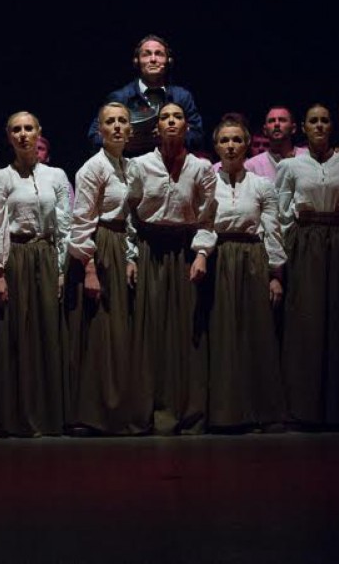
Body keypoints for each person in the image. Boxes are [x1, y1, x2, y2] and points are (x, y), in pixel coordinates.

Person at [0, 112, 72, 436]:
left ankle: (50, 415)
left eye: (28, 128)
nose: (23, 134)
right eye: (16, 130)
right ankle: (17, 416)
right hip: (15, 257)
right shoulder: (0, 178)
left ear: (38, 132)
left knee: (48, 333)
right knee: (17, 335)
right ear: (8, 136)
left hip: (46, 256)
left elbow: (65, 224)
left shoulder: (56, 176)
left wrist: (61, 269)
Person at [275, 103, 339, 426]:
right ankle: (305, 407)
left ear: (332, 126)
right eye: (313, 121)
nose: (318, 126)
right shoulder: (291, 166)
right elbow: (283, 214)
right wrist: (287, 253)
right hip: (307, 242)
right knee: (308, 322)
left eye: (324, 121)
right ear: (303, 127)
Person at [126, 102, 218, 434]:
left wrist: (202, 253)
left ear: (186, 126)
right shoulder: (140, 165)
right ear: (156, 128)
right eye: (165, 117)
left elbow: (208, 217)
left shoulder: (201, 168)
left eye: (177, 117)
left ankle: (188, 411)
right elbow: (130, 213)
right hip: (150, 247)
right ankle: (149, 412)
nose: (171, 122)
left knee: (185, 331)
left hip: (185, 250)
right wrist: (130, 256)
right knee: (150, 330)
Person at [66, 102, 144, 434]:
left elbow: (132, 218)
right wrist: (89, 269)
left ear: (130, 129)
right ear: (100, 130)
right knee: (99, 332)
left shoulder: (131, 167)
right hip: (97, 248)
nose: (116, 127)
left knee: (119, 334)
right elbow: (82, 221)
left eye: (122, 121)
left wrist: (130, 257)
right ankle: (92, 414)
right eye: (109, 122)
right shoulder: (93, 168)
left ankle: (118, 411)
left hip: (120, 244)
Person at [206, 117, 286, 431]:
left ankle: (262, 410)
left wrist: (275, 273)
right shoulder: (208, 182)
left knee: (256, 332)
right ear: (216, 146)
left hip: (252, 256)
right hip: (219, 257)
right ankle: (225, 412)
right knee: (222, 333)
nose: (231, 146)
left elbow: (272, 230)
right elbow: (202, 224)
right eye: (224, 140)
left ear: (247, 144)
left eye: (237, 140)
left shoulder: (262, 185)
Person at [88, 34, 204, 155]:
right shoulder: (120, 97)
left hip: (170, 163)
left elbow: (198, 136)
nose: (153, 59)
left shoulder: (181, 97)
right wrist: (120, 142)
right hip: (131, 163)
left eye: (159, 54)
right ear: (136, 61)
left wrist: (172, 138)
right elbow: (94, 136)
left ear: (169, 61)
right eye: (146, 54)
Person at [244, 106, 309, 181]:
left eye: (282, 120)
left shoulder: (308, 157)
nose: (276, 124)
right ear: (265, 130)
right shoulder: (252, 166)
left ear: (293, 128)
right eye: (271, 121)